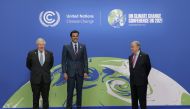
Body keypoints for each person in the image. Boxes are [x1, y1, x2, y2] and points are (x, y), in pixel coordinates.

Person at [62, 30, 88, 109]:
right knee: (69, 93)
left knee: (79, 92)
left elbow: (85, 60)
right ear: (71, 37)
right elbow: (63, 61)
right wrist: (64, 72)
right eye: (73, 36)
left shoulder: (83, 46)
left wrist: (86, 71)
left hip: (80, 73)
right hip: (70, 73)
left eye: (76, 36)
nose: (75, 37)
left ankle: (78, 107)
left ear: (78, 36)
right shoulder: (66, 47)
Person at [26, 38, 54, 109]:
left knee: (45, 98)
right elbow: (28, 65)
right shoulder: (31, 53)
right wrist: (36, 71)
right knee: (35, 99)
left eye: (42, 44)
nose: (41, 46)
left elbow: (50, 65)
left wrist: (44, 72)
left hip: (46, 80)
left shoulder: (50, 53)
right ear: (37, 45)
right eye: (39, 44)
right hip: (35, 80)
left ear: (44, 45)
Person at [128, 41, 151, 109]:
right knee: (134, 101)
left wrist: (143, 76)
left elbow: (148, 68)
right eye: (131, 47)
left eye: (133, 46)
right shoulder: (130, 57)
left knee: (142, 102)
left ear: (138, 47)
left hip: (142, 83)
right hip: (133, 83)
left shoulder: (145, 56)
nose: (131, 48)